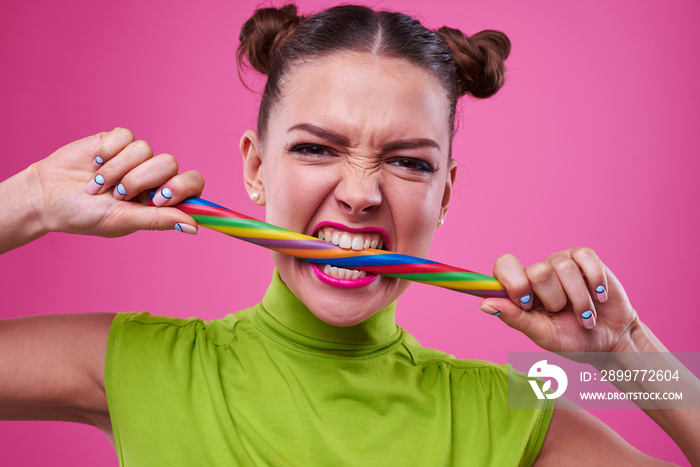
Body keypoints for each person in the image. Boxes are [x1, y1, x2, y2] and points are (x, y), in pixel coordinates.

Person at [0, 3, 698, 466]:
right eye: (316, 149)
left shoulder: (510, 411)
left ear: (444, 192)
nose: (361, 193)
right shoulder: (138, 362)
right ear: (254, 168)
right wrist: (25, 202)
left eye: (407, 162)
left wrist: (630, 351)